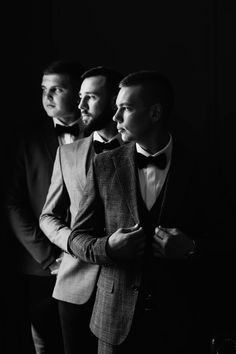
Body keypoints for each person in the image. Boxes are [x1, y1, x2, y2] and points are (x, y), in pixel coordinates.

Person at [67, 70, 230, 354]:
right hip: (115, 325)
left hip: (182, 325)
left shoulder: (203, 167)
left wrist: (191, 249)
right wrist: (109, 248)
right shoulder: (105, 165)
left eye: (125, 109)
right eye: (115, 108)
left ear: (155, 113)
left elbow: (227, 244)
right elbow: (77, 238)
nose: (115, 117)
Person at [39, 66, 124, 354]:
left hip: (125, 285)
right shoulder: (68, 153)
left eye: (90, 97)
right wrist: (73, 244)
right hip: (74, 286)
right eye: (79, 97)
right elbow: (48, 216)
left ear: (115, 101)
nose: (80, 106)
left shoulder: (140, 149)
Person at [6, 59, 84, 354]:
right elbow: (13, 203)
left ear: (78, 93)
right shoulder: (26, 139)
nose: (47, 97)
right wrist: (49, 257)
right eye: (43, 89)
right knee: (45, 343)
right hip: (40, 268)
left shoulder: (102, 138)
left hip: (91, 263)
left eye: (57, 89)